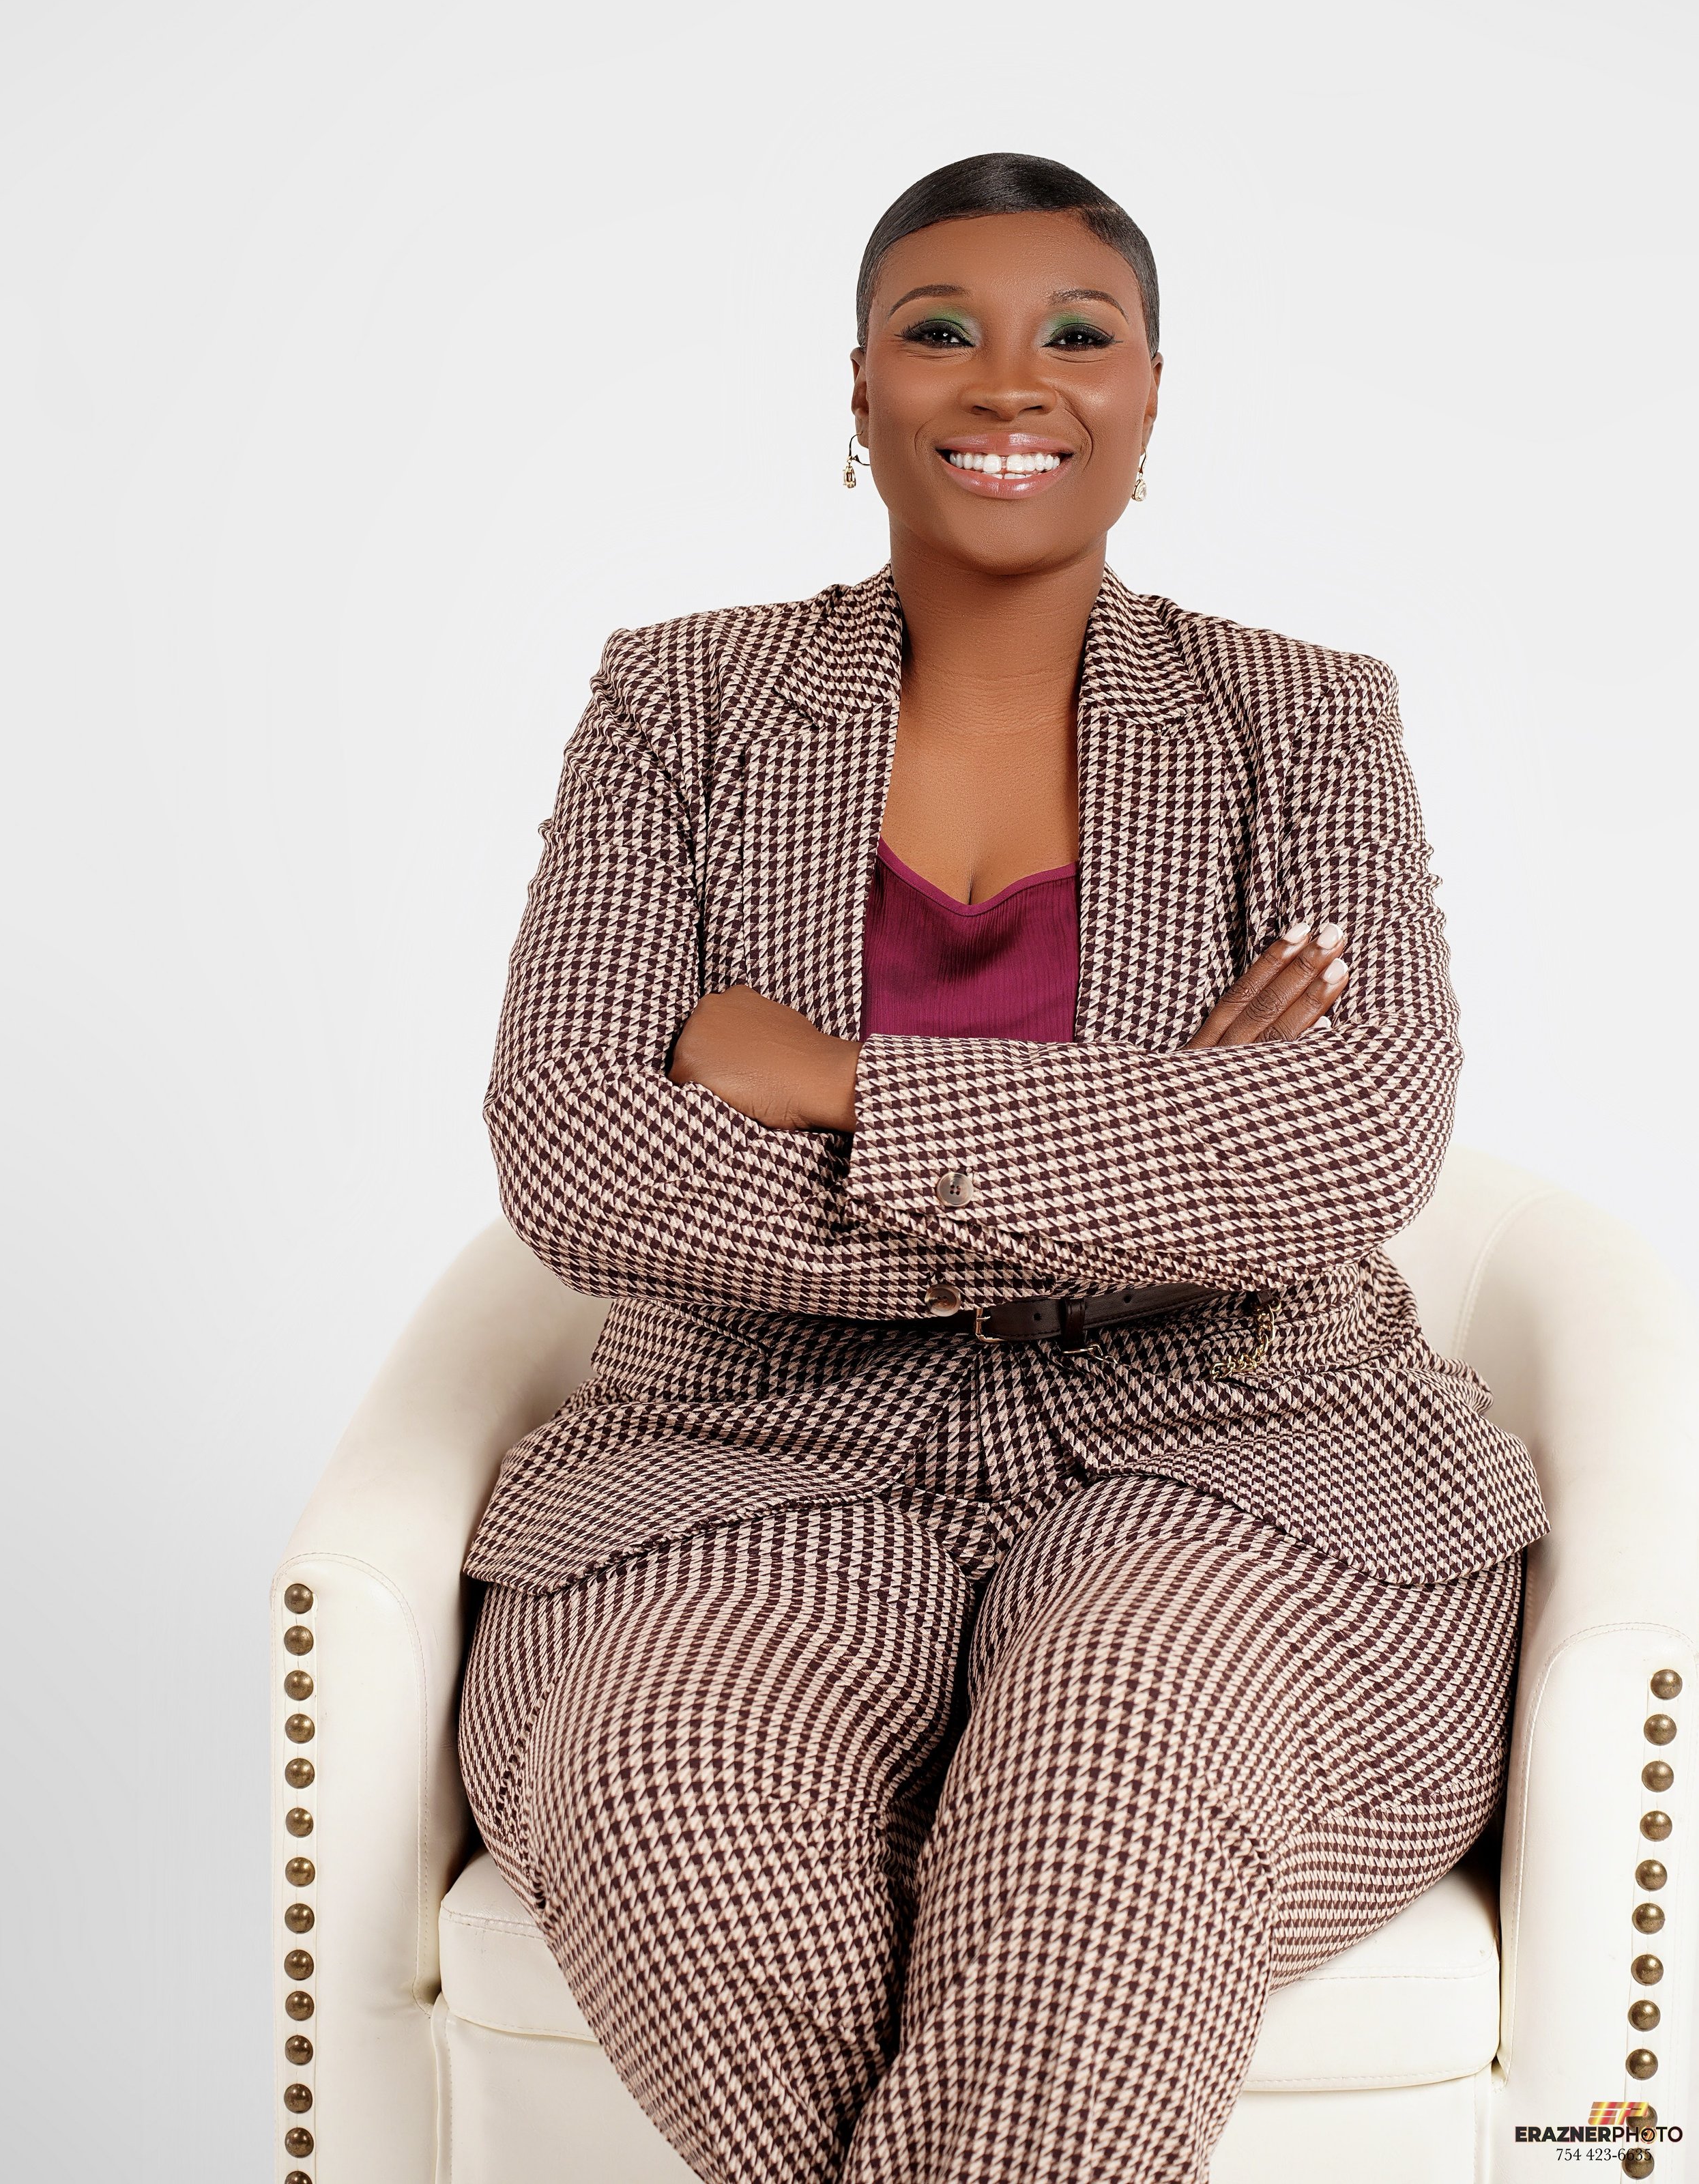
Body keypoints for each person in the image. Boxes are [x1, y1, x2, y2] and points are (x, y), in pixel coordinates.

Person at [458, 152, 1548, 2184]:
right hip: (746, 1457)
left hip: (1241, 1455)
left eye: (1078, 333)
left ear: (1150, 392)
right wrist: (1158, 1129)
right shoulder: (678, 700)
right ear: (859, 385)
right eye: (939, 330)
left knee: (1099, 1812)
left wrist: (840, 1086)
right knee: (678, 1798)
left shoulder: (1303, 716)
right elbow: (582, 1151)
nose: (1009, 381)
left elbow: (1351, 1137)